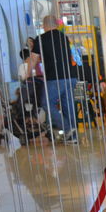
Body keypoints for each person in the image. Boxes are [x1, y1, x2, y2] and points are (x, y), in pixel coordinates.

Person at [29, 15, 78, 143]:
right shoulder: (63, 37)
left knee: (46, 103)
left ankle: (67, 128)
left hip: (55, 78)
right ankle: (72, 137)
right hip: (71, 76)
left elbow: (33, 59)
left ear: (44, 25)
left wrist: (27, 74)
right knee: (68, 106)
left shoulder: (41, 38)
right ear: (56, 24)